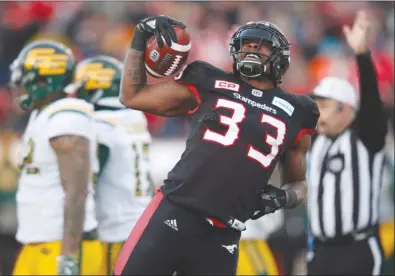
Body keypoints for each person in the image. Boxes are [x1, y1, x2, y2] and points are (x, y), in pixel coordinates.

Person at [114, 16, 320, 275]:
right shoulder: (207, 80)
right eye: (247, 44)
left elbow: (299, 184)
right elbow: (132, 96)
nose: (253, 49)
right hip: (175, 209)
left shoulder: (299, 110)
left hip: (224, 233)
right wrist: (139, 39)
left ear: (281, 57)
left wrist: (284, 197)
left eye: (262, 45)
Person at [9, 40, 102, 275]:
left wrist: (68, 257)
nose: (18, 86)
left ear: (43, 80)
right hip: (38, 245)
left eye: (24, 78)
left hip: (61, 248)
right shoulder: (44, 114)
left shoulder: (66, 116)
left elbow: (76, 192)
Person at [307, 11, 387, 275]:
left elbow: (373, 105)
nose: (317, 112)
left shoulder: (365, 139)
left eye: (324, 106)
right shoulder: (316, 141)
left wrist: (362, 55)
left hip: (357, 251)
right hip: (320, 252)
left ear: (346, 110)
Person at [65, 55, 154, 275]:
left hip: (115, 232)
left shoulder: (100, 126)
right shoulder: (134, 117)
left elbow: (87, 183)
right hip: (142, 224)